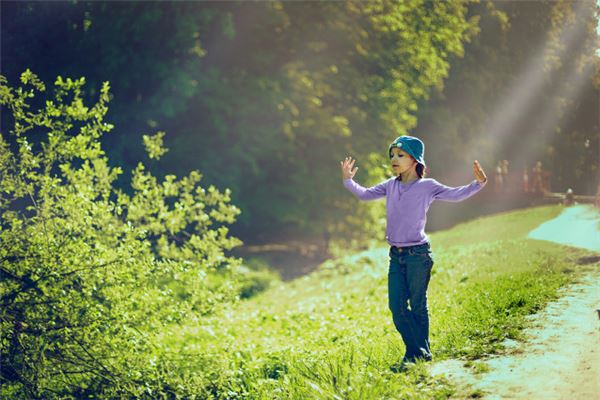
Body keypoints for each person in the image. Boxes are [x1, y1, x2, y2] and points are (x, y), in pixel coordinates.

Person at [340, 135, 487, 373]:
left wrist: (478, 184)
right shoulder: (390, 185)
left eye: (400, 155)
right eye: (392, 155)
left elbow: (455, 194)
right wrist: (348, 181)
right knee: (396, 306)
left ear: (414, 159)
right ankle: (420, 351)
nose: (394, 160)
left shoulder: (427, 186)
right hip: (396, 257)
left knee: (418, 305)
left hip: (418, 255)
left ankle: (416, 354)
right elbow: (365, 194)